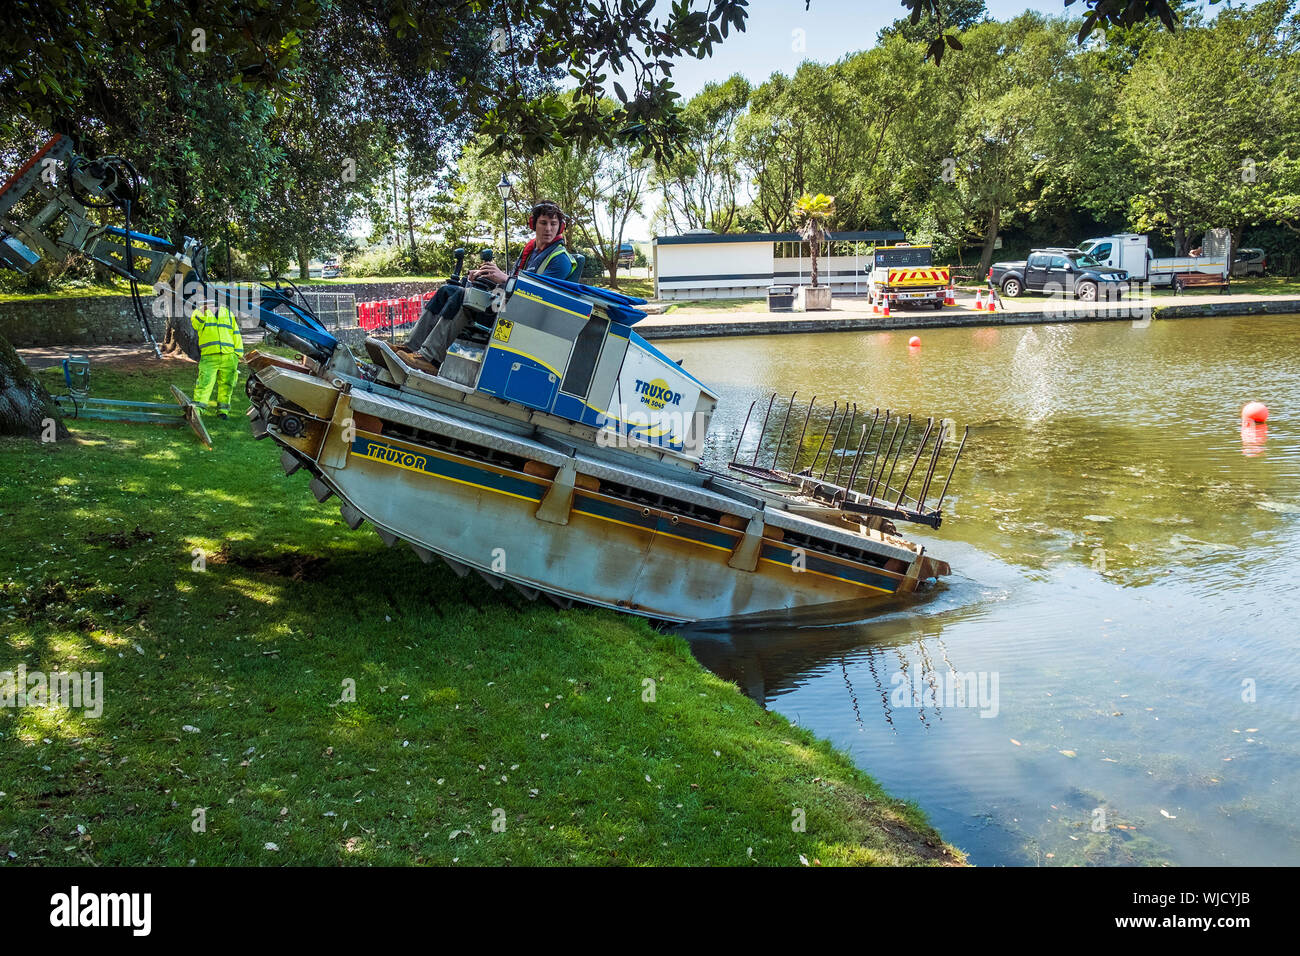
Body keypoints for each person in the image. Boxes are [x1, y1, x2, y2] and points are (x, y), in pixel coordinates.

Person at [402, 200, 576, 372]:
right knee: (447, 291)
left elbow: (537, 295)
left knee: (464, 298)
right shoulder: (531, 251)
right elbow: (508, 284)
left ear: (560, 227)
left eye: (553, 224)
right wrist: (485, 275)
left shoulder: (560, 259)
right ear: (533, 224)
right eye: (543, 223)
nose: (548, 229)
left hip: (522, 318)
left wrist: (502, 278)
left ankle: (429, 358)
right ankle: (409, 348)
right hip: (505, 304)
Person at [190, 291, 243, 419]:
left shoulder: (228, 313)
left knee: (227, 385)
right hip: (209, 356)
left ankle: (223, 412)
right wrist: (203, 310)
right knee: (204, 383)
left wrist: (238, 353)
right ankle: (197, 410)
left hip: (229, 356)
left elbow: (235, 333)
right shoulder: (198, 313)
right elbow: (196, 325)